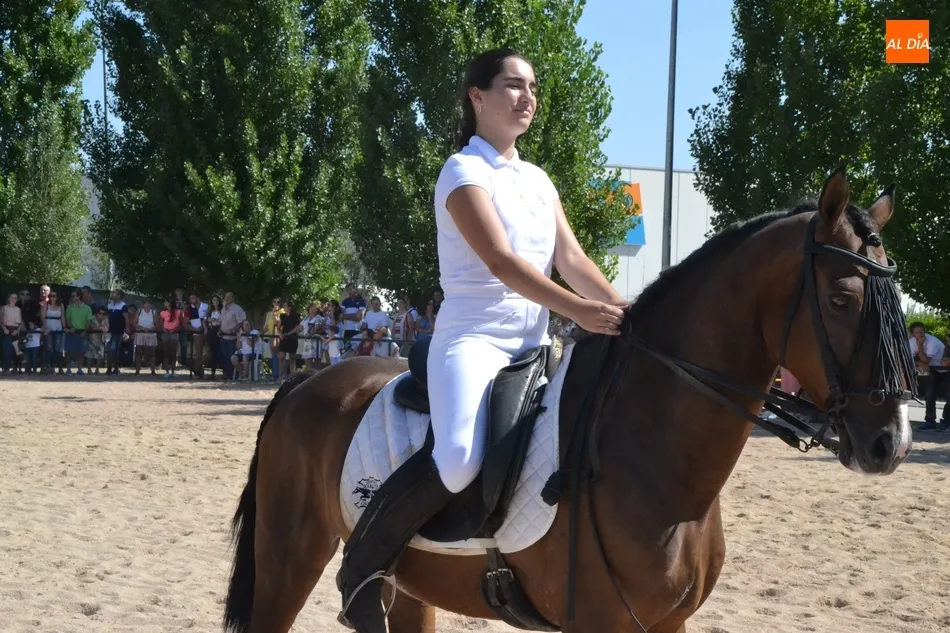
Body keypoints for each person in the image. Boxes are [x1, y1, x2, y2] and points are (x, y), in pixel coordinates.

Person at [336, 48, 627, 631]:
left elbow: (572, 259)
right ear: (477, 96)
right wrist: (580, 311)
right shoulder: (461, 170)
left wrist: (625, 311)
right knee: (457, 460)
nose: (528, 98)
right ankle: (362, 569)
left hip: (534, 348)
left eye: (533, 87)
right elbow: (500, 260)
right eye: (514, 85)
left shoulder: (538, 180)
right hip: (474, 342)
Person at [909, 322, 950, 431]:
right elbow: (910, 358)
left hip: (946, 370)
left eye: (921, 332)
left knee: (949, 395)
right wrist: (920, 364)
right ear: (913, 334)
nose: (920, 335)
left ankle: (946, 421)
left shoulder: (933, 342)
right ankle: (930, 421)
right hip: (934, 370)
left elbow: (926, 360)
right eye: (917, 333)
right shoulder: (911, 342)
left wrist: (920, 346)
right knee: (930, 394)